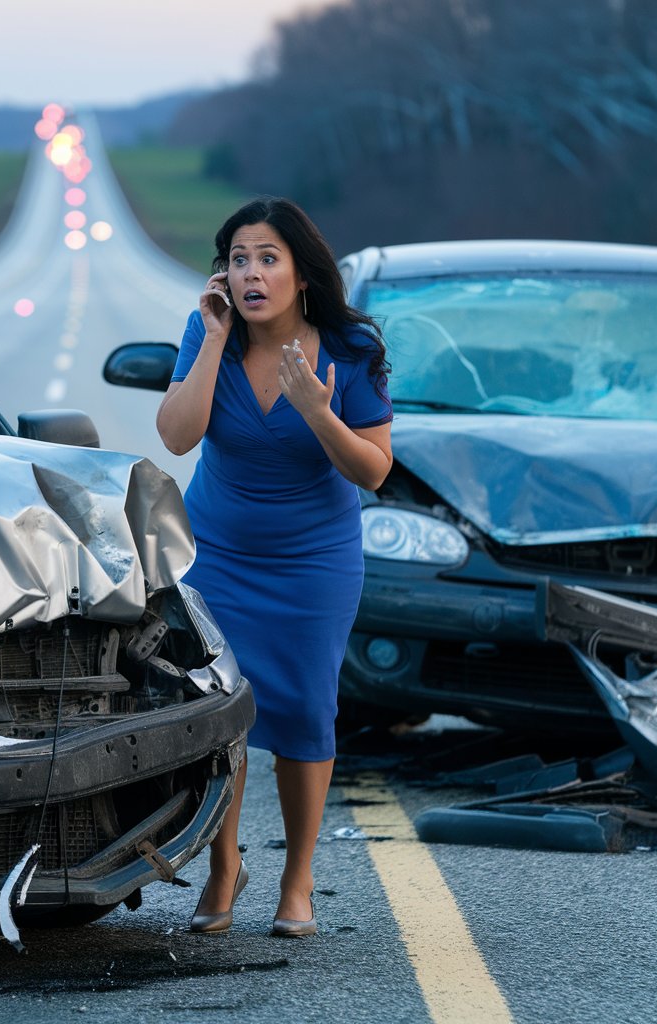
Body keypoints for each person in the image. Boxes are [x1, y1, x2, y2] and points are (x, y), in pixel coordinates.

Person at [156, 197, 393, 937]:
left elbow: (375, 472)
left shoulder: (349, 350)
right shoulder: (207, 331)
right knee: (219, 715)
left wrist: (318, 411)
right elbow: (175, 436)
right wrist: (212, 342)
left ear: (300, 270)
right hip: (217, 555)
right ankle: (225, 867)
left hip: (312, 563)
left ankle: (299, 879)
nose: (251, 272)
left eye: (267, 258)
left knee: (301, 714)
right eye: (238, 259)